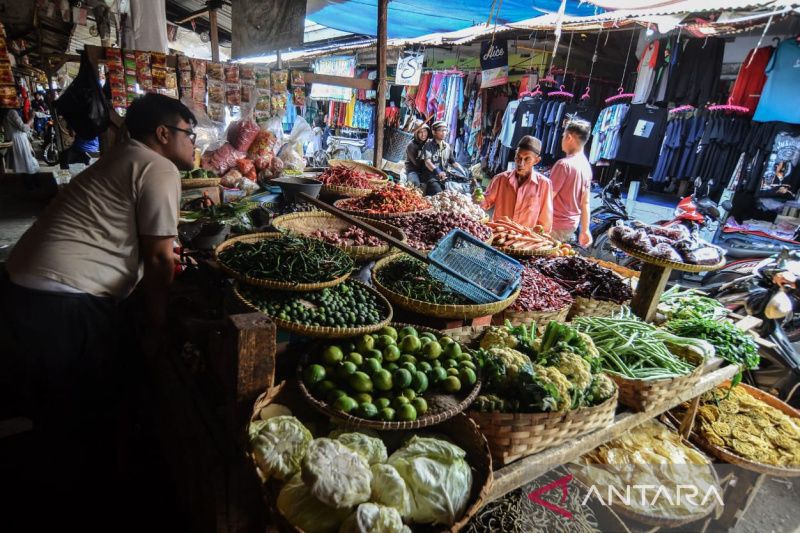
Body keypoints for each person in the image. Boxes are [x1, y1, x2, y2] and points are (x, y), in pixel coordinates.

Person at [1, 93, 196, 526]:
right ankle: (88, 505)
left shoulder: (122, 156)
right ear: (163, 134)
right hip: (61, 302)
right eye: (189, 134)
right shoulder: (158, 166)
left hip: (23, 290)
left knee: (55, 417)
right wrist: (156, 326)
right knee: (80, 420)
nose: (194, 143)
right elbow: (161, 259)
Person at [481, 135, 553, 231]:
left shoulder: (544, 185)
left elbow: (545, 223)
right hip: (498, 235)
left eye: (527, 159)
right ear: (515, 155)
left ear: (536, 160)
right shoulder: (500, 179)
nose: (521, 163)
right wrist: (478, 198)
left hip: (524, 241)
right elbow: (485, 203)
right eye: (518, 157)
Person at [550, 119, 594, 246]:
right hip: (570, 227)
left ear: (569, 137)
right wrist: (585, 230)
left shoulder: (563, 165)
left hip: (554, 225)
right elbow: (585, 203)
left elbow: (547, 198)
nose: (562, 140)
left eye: (563, 136)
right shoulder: (586, 166)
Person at [421, 120, 465, 195]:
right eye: (440, 130)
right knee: (439, 194)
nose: (443, 132)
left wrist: (463, 172)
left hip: (444, 177)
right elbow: (427, 162)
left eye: (445, 130)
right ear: (434, 132)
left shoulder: (447, 146)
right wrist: (438, 172)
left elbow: (453, 162)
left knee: (455, 193)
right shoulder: (428, 145)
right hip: (431, 177)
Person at [1, 107, 40, 173]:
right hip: (19, 140)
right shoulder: (12, 112)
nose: (20, 100)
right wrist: (31, 118)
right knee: (25, 166)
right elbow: (23, 128)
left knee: (19, 166)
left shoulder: (4, 113)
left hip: (12, 139)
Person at [404, 123, 429, 188]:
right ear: (416, 134)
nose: (423, 134)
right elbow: (416, 163)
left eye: (425, 131)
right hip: (413, 170)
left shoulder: (428, 143)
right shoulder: (411, 145)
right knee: (415, 185)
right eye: (420, 132)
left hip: (425, 171)